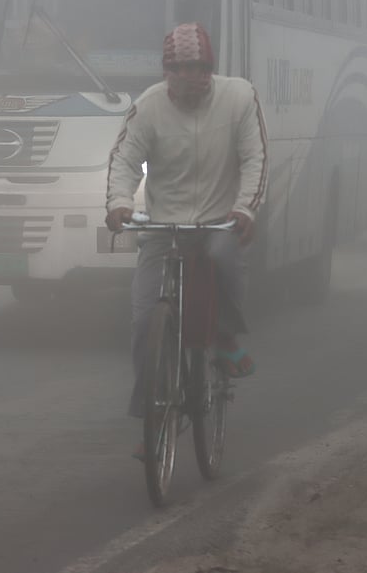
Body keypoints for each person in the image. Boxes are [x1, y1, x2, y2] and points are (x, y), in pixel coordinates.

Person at [105, 23, 268, 456]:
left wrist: (246, 208)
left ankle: (226, 337)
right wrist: (119, 203)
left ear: (210, 70)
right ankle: (153, 417)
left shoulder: (239, 98)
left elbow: (255, 159)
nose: (188, 78)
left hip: (219, 221)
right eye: (178, 70)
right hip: (164, 226)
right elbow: (123, 159)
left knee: (224, 256)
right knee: (144, 320)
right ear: (166, 73)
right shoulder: (149, 107)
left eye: (198, 68)